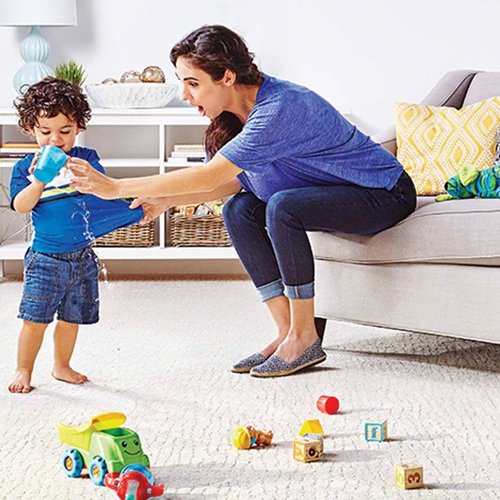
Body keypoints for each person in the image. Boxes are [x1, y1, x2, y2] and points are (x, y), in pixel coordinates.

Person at [68, 25, 417, 378]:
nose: (185, 95)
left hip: (383, 193)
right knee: (241, 209)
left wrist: (114, 186)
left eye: (192, 82)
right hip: (333, 195)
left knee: (283, 207)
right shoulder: (238, 117)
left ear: (227, 77)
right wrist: (165, 200)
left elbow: (210, 176)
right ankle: (286, 333)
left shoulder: (280, 107)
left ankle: (304, 335)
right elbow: (231, 184)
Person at [8, 77, 143, 393]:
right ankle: (23, 370)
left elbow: (104, 194)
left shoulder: (86, 157)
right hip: (45, 258)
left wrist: (133, 205)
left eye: (65, 132)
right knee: (35, 319)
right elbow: (20, 206)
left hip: (82, 257)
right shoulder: (26, 168)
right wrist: (40, 180)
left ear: (79, 126)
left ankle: (61, 365)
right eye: (45, 132)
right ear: (31, 129)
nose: (56, 140)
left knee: (70, 319)